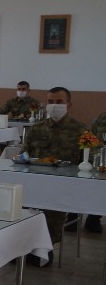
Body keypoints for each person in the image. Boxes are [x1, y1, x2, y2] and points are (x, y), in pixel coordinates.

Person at [21, 87, 88, 263]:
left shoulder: (80, 130)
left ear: (69, 104)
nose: (54, 106)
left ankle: (44, 249)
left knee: (51, 214)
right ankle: (21, 246)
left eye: (59, 102)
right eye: (51, 102)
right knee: (20, 210)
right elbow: (23, 156)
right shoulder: (36, 129)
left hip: (63, 185)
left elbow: (87, 162)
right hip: (34, 181)